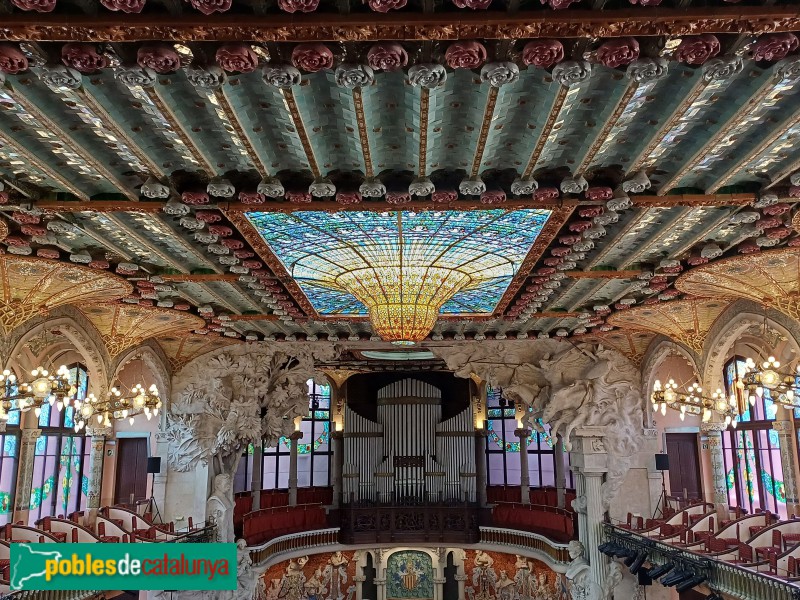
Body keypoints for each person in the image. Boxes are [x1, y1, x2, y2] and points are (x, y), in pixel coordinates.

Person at [206, 473, 234, 543]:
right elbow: (217, 524)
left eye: (229, 483)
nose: (228, 485)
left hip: (228, 535)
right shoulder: (214, 500)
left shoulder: (226, 498)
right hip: (221, 538)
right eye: (226, 483)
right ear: (218, 485)